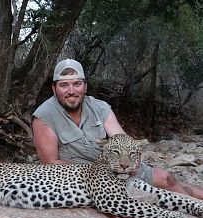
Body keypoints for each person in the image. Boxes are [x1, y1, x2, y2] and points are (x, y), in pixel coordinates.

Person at [32, 59, 203, 200]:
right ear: (54, 89)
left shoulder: (100, 107)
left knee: (167, 179)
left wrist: (133, 162)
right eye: (64, 85)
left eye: (77, 84)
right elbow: (50, 164)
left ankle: (194, 203)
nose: (71, 91)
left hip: (118, 167)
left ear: (85, 86)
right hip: (81, 178)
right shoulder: (44, 116)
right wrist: (100, 174)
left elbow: (124, 142)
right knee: (155, 197)